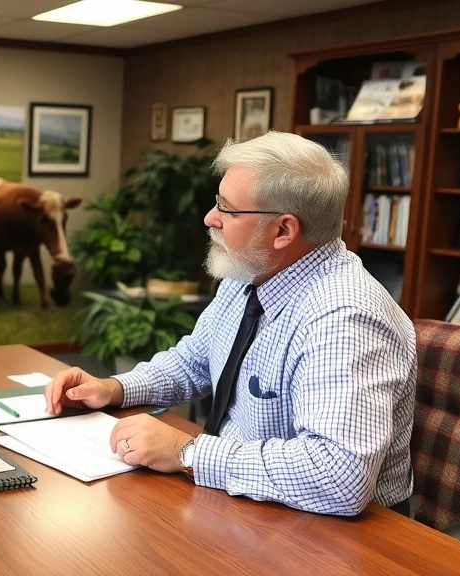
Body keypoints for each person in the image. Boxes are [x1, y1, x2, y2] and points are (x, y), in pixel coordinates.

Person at [45, 131, 415, 517]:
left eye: (227, 208)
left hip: (335, 536)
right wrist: (114, 387)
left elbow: (340, 477)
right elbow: (194, 362)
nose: (210, 218)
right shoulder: (250, 273)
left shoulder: (345, 319)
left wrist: (186, 451)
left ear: (283, 231)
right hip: (245, 504)